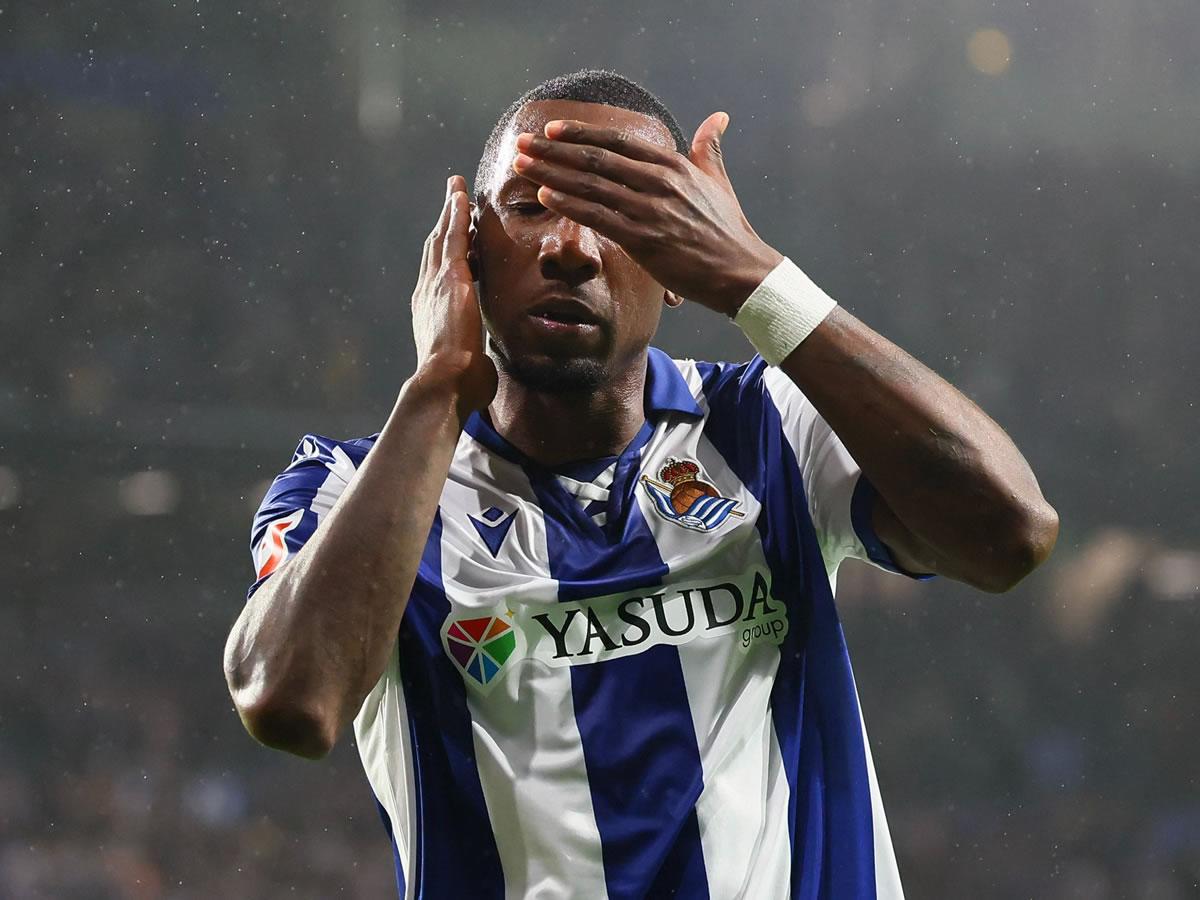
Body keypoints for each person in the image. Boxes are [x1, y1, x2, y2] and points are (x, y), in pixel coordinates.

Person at [223, 69, 1058, 899]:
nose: (569, 246)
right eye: (527, 207)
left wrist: (757, 280)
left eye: (621, 216)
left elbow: (1009, 534)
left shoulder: (769, 426)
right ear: (466, 248)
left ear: (675, 263)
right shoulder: (348, 487)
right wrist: (441, 385)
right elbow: (289, 701)